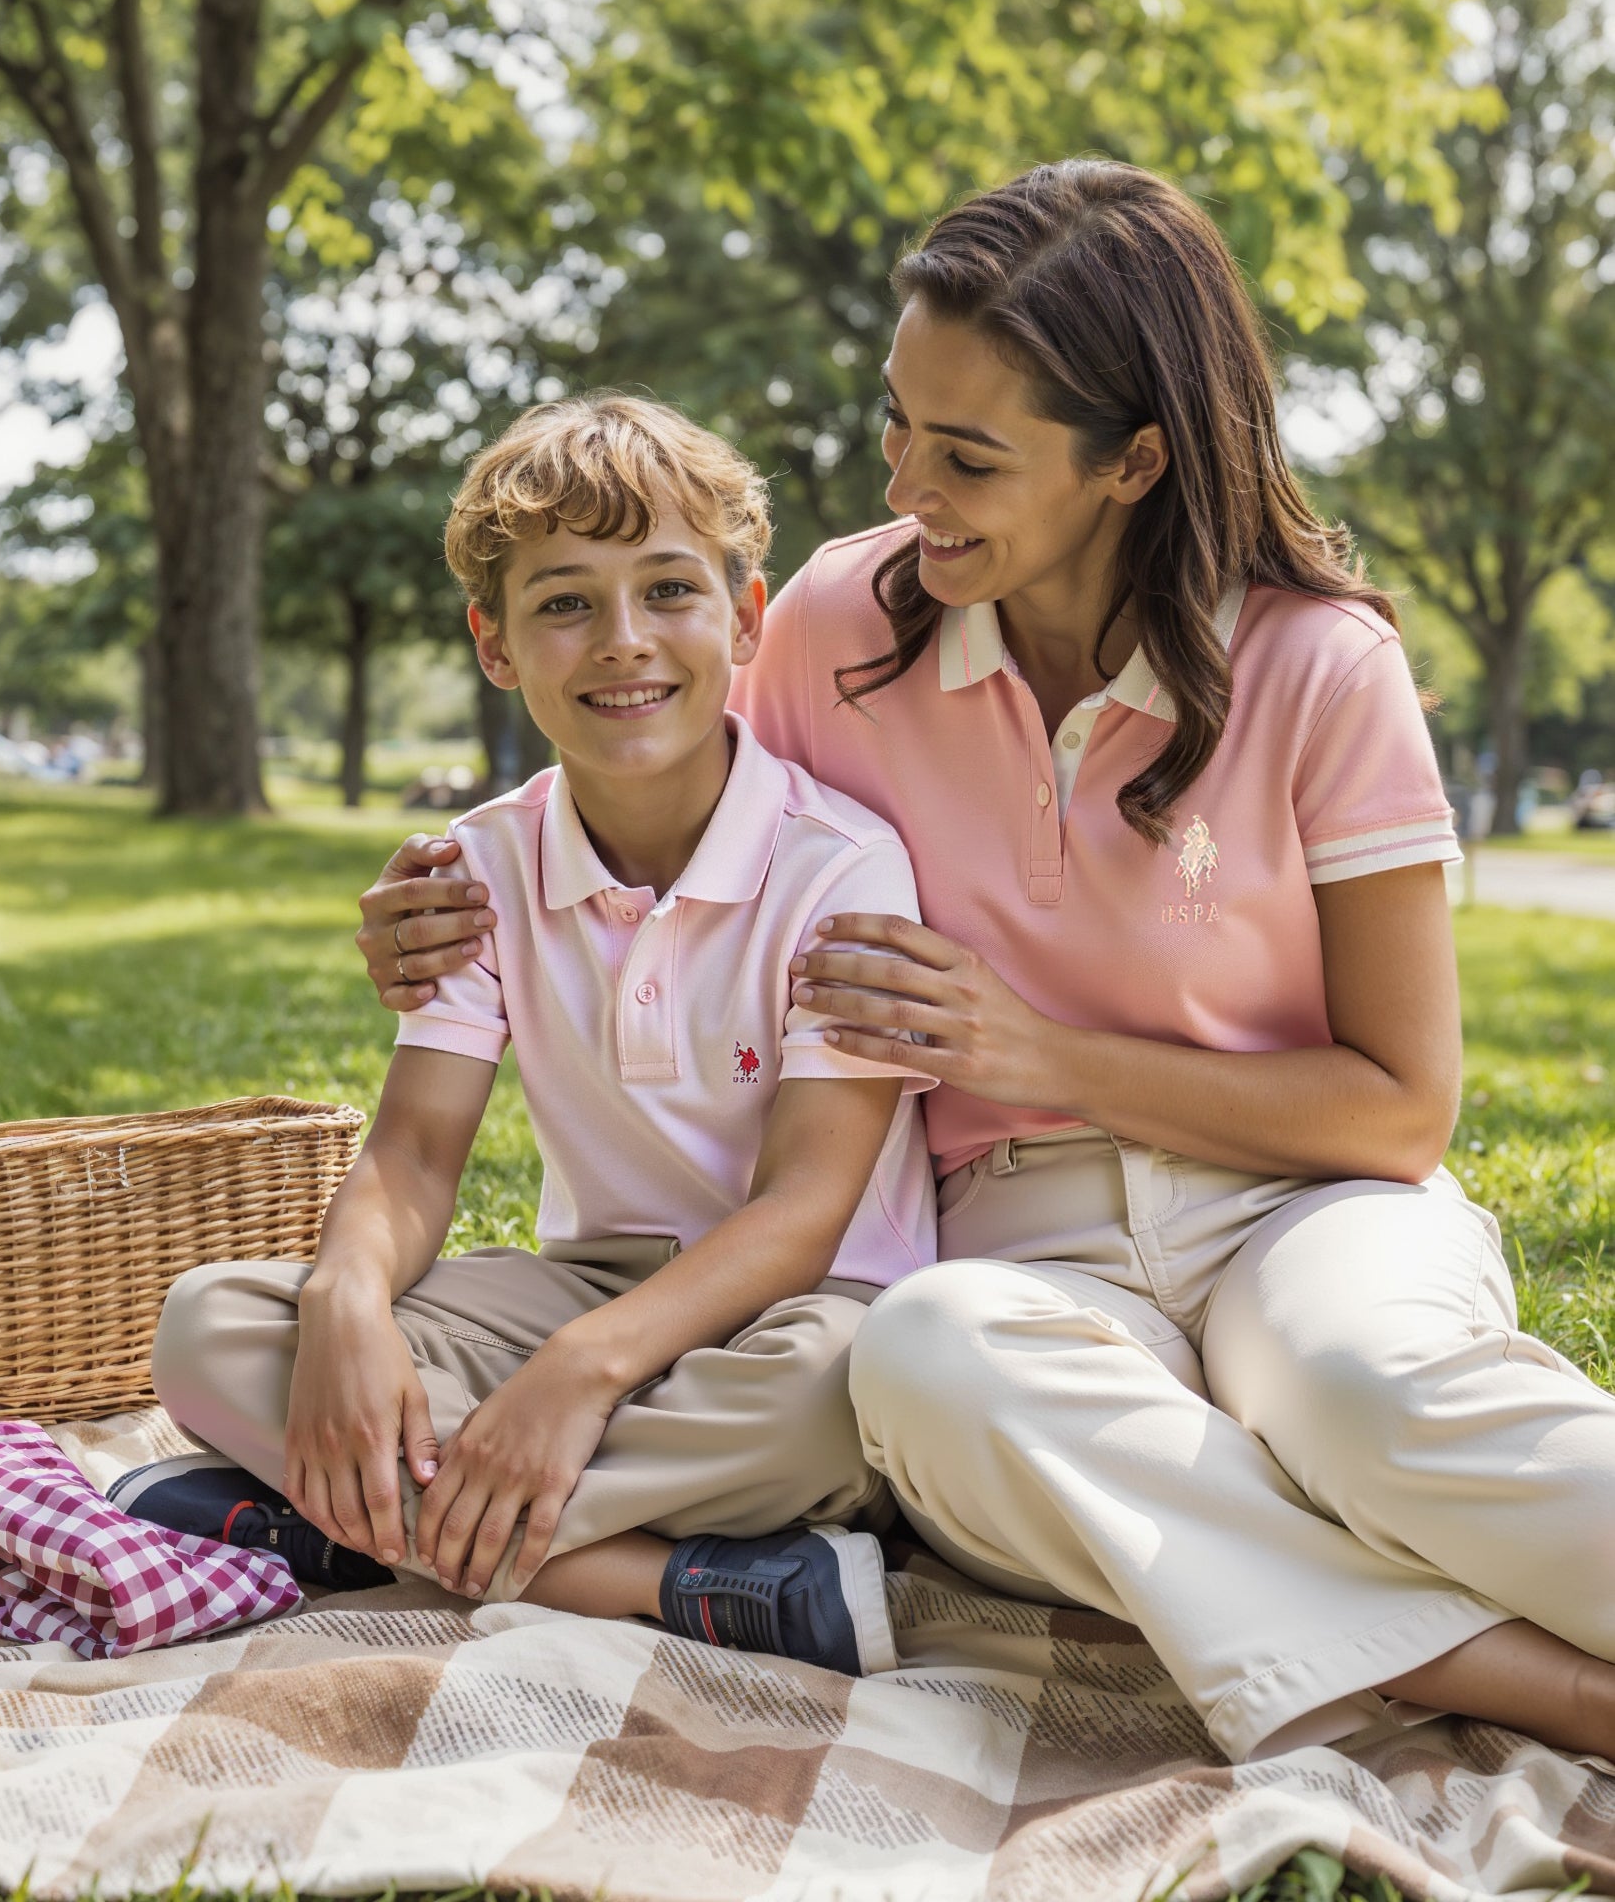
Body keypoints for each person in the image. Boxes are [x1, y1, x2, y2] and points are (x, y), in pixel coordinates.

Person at [357, 160, 1615, 1764]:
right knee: (928, 1360)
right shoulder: (839, 620)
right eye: (898, 426)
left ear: (1130, 462)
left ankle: (1313, 1579)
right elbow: (641, 776)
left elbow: (1397, 1112)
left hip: (1305, 1200)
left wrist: (1032, 1053)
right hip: (1014, 1248)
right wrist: (437, 899)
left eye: (965, 454)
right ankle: (1557, 1689)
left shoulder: (1317, 662)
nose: (908, 487)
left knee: (1360, 1397)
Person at [120, 394, 935, 1677]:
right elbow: (416, 1156)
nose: (623, 643)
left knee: (834, 1410)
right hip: (591, 1279)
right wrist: (345, 1298)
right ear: (493, 644)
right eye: (563, 603)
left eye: (667, 590)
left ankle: (339, 1524)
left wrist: (573, 1378)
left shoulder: (839, 869)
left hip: (801, 1306)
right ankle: (662, 1581)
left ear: (745, 616)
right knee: (211, 1326)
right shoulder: (480, 865)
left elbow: (805, 1212)